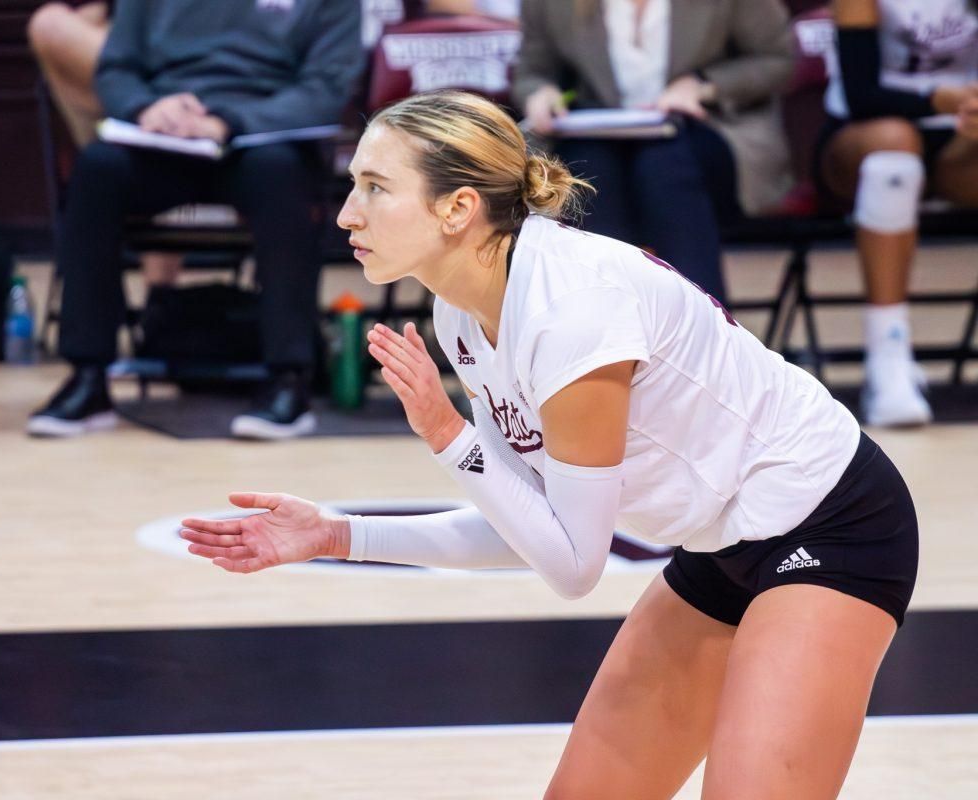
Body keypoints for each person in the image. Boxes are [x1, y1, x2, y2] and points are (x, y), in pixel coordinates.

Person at [180, 91, 918, 798]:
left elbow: (573, 568)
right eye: (353, 185)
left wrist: (448, 437)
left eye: (375, 187)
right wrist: (336, 535)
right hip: (720, 546)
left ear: (457, 208)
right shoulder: (462, 313)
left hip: (832, 526)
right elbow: (531, 524)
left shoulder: (572, 310)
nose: (347, 212)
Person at [27, 0, 364, 440]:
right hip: (163, 133)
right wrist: (145, 107)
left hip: (259, 133)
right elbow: (116, 69)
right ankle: (88, 376)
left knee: (281, 177)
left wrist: (230, 121)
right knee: (98, 169)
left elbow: (326, 87)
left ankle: (289, 379)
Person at [515, 0, 795, 305]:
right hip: (596, 134)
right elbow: (533, 70)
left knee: (664, 168)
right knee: (588, 171)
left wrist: (704, 85)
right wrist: (541, 94)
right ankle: (607, 329)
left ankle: (699, 329)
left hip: (708, 129)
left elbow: (777, 58)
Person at [817, 0, 978, 427]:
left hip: (960, 136)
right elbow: (861, 95)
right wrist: (939, 99)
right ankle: (887, 358)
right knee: (895, 149)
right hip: (866, 133)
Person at [27, 2, 185, 288]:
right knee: (51, 25)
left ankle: (161, 291)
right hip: (145, 77)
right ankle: (155, 109)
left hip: (218, 57)